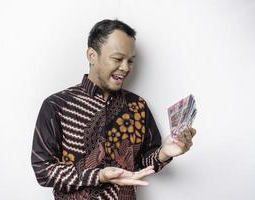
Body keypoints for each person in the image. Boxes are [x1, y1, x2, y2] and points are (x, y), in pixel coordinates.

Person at [30, 19, 196, 200]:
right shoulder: (56, 106)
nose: (125, 68)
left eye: (130, 61)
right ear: (92, 55)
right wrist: (98, 176)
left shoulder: (138, 106)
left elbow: (144, 162)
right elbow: (43, 171)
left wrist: (164, 153)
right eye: (117, 59)